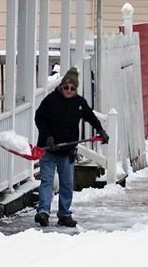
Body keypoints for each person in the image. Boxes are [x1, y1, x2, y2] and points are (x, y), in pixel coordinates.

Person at [33, 67, 107, 228]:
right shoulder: (51, 100)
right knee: (47, 181)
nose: (69, 90)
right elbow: (39, 118)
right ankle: (43, 213)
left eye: (72, 88)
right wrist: (48, 136)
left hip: (67, 151)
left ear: (76, 88)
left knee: (67, 184)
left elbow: (90, 117)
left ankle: (64, 215)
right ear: (62, 86)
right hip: (48, 149)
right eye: (66, 87)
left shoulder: (79, 103)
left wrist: (101, 130)